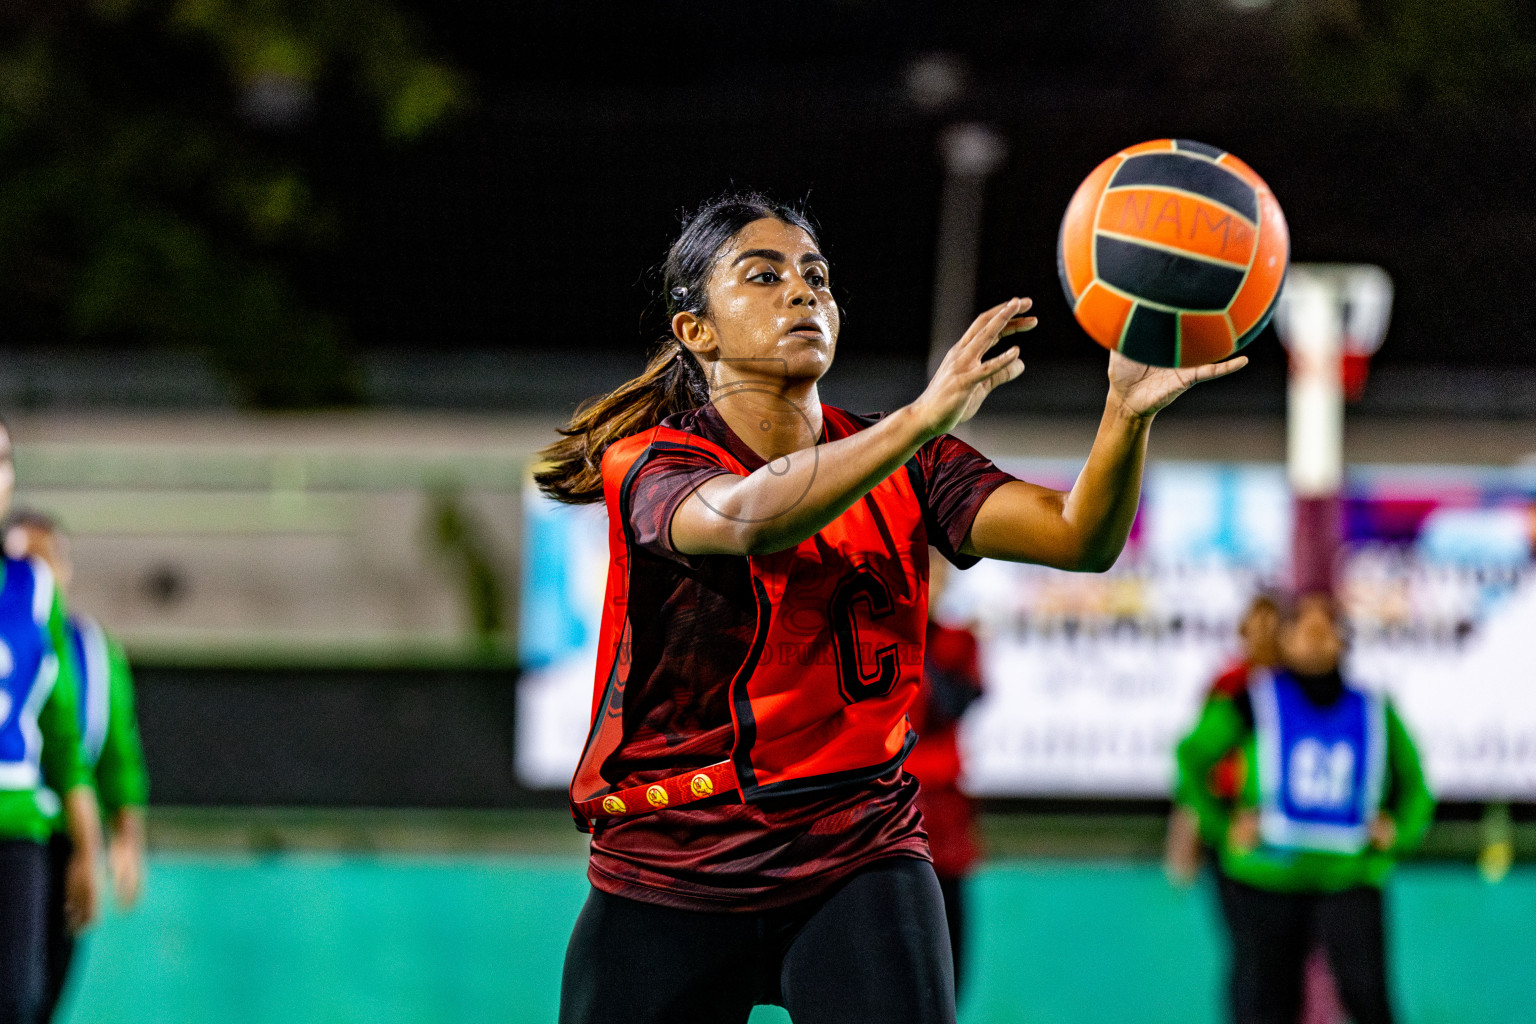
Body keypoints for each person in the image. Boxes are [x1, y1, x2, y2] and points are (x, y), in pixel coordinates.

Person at [536, 192, 1245, 1024]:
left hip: (856, 852)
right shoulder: (653, 460)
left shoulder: (912, 456)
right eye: (763, 276)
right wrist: (917, 420)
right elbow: (750, 518)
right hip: (671, 863)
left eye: (816, 276)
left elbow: (1080, 537)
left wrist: (1124, 414)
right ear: (697, 331)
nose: (802, 293)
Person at [1176, 592, 1435, 1024]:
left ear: (1343, 641)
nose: (1315, 639)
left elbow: (1416, 786)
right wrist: (1222, 825)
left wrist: (1399, 832)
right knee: (1264, 1003)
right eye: (1304, 629)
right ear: (1286, 641)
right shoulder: (1251, 701)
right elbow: (1191, 760)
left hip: (1347, 874)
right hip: (1268, 876)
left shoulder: (1372, 709)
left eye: (1326, 629)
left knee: (1368, 996)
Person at [4, 510, 149, 1022]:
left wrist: (121, 833)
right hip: (21, 828)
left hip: (57, 834)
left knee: (37, 991)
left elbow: (112, 750)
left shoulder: (91, 649)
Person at [0, 424, 103, 1024]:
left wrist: (88, 846)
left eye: (4, 461)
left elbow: (61, 735)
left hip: (16, 825)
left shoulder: (33, 590)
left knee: (17, 1003)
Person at [903, 553, 984, 999]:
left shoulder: (957, 644)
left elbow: (954, 702)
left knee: (949, 973)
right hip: (885, 822)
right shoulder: (873, 636)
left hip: (944, 828)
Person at [1164, 592, 1282, 885]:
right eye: (1258, 627)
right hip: (1232, 804)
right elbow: (1196, 753)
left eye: (1273, 627)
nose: (1265, 636)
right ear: (1244, 631)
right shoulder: (1231, 684)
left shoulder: (1296, 686)